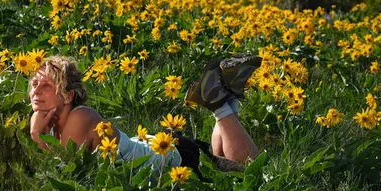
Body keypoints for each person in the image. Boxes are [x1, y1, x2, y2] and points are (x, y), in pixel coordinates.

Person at [29, 54, 262, 176]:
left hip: (176, 160)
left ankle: (220, 105)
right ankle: (227, 96)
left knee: (249, 173)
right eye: (34, 84)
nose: (35, 91)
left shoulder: (79, 119)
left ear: (68, 96)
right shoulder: (53, 120)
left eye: (46, 86)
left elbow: (63, 173)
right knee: (222, 165)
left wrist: (36, 135)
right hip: (162, 150)